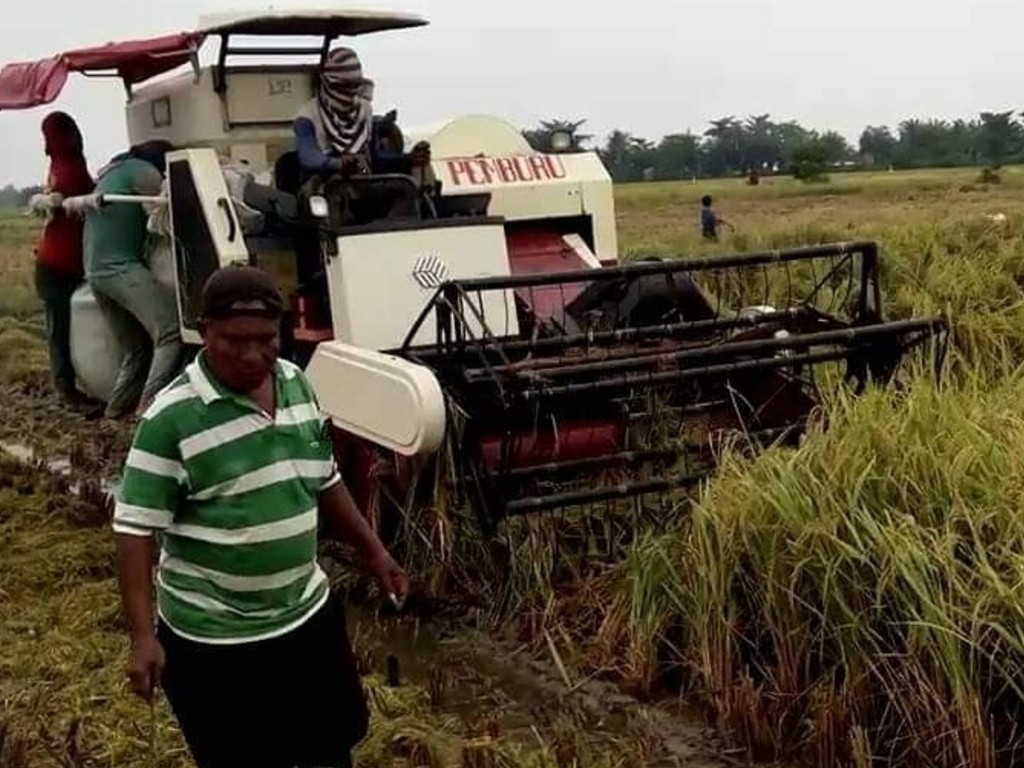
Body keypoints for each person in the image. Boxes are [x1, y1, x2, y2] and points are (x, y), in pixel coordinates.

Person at [112, 264, 410, 768]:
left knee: (330, 750)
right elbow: (135, 529)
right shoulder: (170, 419)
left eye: (266, 340)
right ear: (204, 332)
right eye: (234, 341)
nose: (253, 356)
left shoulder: (296, 383)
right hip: (216, 641)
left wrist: (376, 553)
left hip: (305, 618)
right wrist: (143, 635)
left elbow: (324, 480)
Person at [82, 140, 183, 420]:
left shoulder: (111, 174)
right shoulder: (143, 172)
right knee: (170, 331)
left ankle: (114, 413)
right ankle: (147, 411)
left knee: (136, 348)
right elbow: (168, 208)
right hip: (119, 269)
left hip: (94, 271)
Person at [28, 111, 98, 412]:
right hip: (57, 264)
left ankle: (74, 384)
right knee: (61, 329)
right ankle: (67, 390)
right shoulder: (66, 165)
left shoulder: (64, 165)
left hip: (62, 260)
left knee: (67, 327)